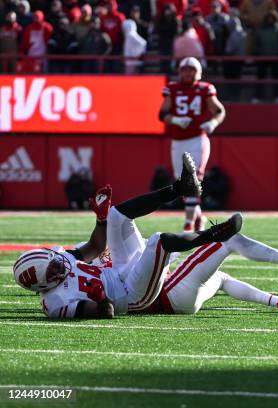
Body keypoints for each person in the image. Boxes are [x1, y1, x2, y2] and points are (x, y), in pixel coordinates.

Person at [12, 153, 243, 319]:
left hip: (118, 270)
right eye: (52, 271)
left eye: (52, 261)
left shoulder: (59, 259)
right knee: (159, 241)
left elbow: (95, 246)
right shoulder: (55, 303)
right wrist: (101, 298)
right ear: (40, 286)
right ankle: (213, 235)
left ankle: (180, 189)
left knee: (117, 216)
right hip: (131, 296)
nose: (58, 266)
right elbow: (107, 313)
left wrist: (101, 220)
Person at [158, 57, 226, 232]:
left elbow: (219, 111)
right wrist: (176, 120)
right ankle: (198, 217)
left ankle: (188, 223)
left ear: (199, 73)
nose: (188, 73)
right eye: (185, 69)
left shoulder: (205, 89)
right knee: (182, 183)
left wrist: (213, 123)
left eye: (192, 70)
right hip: (178, 141)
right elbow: (162, 114)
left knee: (195, 179)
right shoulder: (172, 88)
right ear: (180, 71)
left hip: (197, 139)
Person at [251, 10, 278, 103]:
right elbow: (256, 43)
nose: (270, 20)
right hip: (263, 58)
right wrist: (257, 53)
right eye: (268, 18)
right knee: (260, 78)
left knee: (277, 78)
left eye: (272, 18)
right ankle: (257, 97)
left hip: (276, 58)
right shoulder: (260, 30)